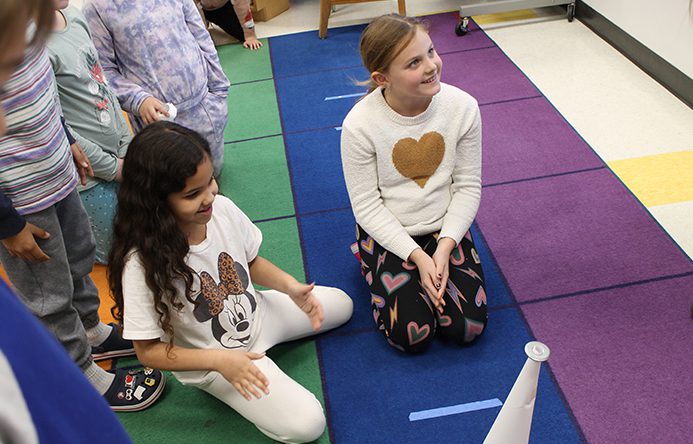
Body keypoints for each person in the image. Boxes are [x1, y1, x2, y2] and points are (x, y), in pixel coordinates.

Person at [108, 121, 353, 443]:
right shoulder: (140, 263)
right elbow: (148, 351)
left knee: (343, 305)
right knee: (306, 426)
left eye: (209, 181)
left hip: (260, 316)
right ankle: (246, 379)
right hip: (215, 361)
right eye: (192, 194)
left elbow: (249, 262)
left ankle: (266, 349)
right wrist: (220, 361)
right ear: (155, 201)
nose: (209, 196)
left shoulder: (220, 209)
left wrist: (290, 287)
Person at [0, 1, 165, 411]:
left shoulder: (32, 31)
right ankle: (79, 372)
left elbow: (46, 100)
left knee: (77, 258)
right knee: (48, 292)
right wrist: (6, 224)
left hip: (59, 173)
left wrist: (69, 137)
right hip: (22, 202)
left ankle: (90, 330)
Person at [341, 15, 488, 353]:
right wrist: (419, 259)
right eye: (413, 63)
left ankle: (429, 257)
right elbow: (366, 206)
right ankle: (367, 257)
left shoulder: (463, 107)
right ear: (382, 78)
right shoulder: (359, 126)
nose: (431, 66)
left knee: (467, 328)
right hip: (391, 231)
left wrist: (445, 247)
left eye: (431, 52)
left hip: (444, 227)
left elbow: (467, 186)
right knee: (411, 336)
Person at [83, 0, 230, 176]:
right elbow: (103, 70)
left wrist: (219, 88)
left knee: (211, 175)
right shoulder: (97, 8)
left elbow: (201, 36)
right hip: (157, 122)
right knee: (173, 186)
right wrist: (138, 99)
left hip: (204, 109)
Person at [47, 0, 133, 264]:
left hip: (119, 151)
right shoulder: (33, 48)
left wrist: (126, 142)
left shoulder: (72, 15)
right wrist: (111, 167)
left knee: (153, 229)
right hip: (89, 176)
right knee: (119, 255)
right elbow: (56, 125)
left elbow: (100, 83)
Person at [197, 0, 263, 50]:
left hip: (224, 7)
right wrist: (204, 39)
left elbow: (242, 3)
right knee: (201, 44)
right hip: (200, 9)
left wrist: (250, 36)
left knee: (242, 35)